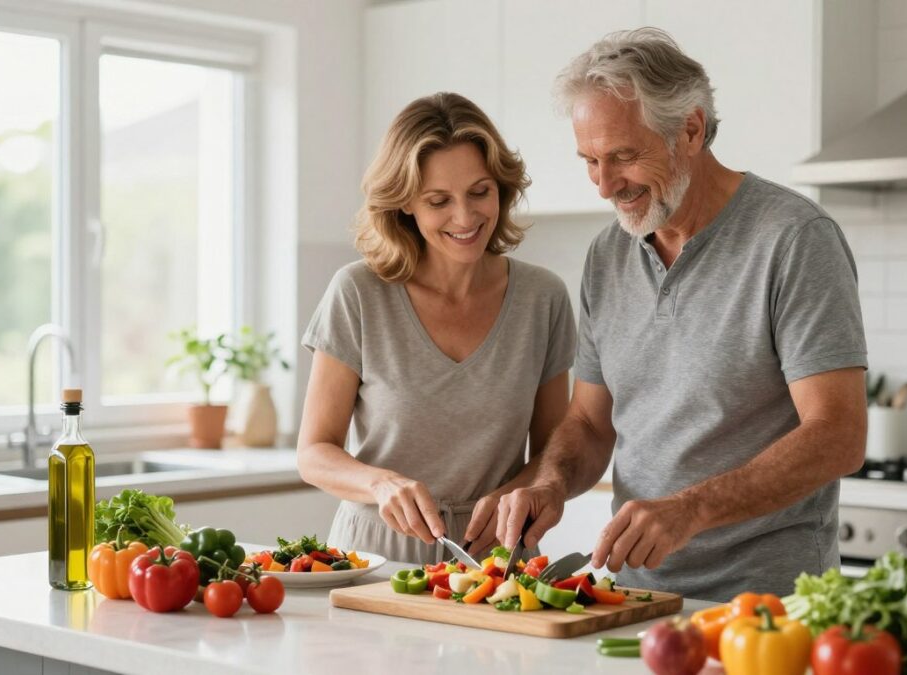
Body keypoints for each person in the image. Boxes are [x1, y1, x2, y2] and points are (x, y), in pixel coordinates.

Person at [495, 27, 868, 600]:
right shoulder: (607, 253)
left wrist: (687, 511)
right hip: (634, 595)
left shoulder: (794, 239)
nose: (604, 185)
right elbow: (592, 424)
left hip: (771, 601)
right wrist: (550, 482)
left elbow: (838, 434)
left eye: (623, 156)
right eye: (590, 160)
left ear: (690, 129)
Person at [296, 92, 576, 565]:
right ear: (406, 203)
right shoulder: (358, 293)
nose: (465, 218)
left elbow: (554, 454)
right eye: (438, 200)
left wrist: (511, 497)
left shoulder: (542, 298)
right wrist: (381, 483)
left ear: (502, 189)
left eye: (480, 192)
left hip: (497, 555)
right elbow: (313, 453)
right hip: (376, 555)